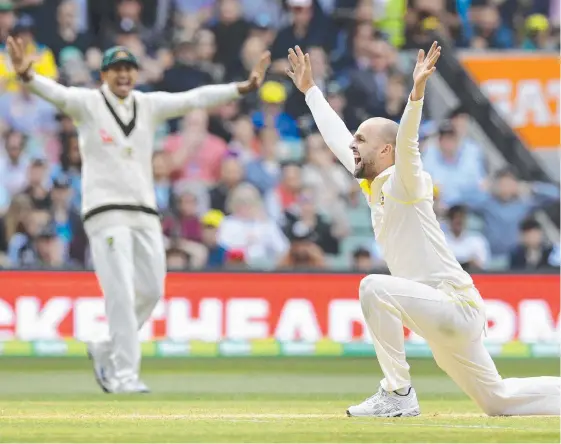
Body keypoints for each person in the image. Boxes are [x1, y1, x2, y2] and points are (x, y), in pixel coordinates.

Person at [286, 41, 560, 417]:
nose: (352, 144)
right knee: (498, 401)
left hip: (454, 305)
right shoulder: (374, 186)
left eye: (361, 140)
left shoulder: (406, 182)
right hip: (437, 314)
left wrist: (415, 96)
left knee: (373, 286)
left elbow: (409, 145)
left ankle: (397, 393)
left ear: (385, 150)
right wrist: (311, 91)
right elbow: (337, 139)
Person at [6, 35, 271, 393]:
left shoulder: (148, 105)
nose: (124, 75)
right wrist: (27, 77)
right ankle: (124, 374)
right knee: (119, 291)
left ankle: (105, 346)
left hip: (145, 211)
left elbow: (194, 99)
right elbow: (59, 94)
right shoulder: (88, 104)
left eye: (129, 69)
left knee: (151, 289)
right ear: (104, 75)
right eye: (117, 69)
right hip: (105, 211)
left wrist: (241, 88)